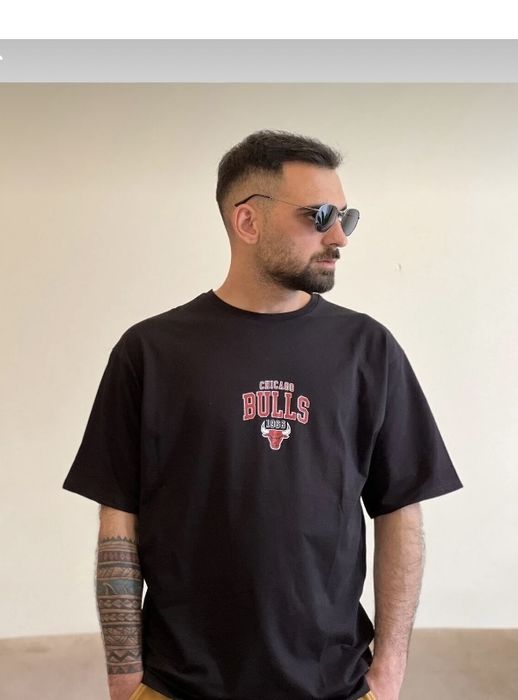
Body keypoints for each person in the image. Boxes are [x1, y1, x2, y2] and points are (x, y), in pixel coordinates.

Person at [62, 129, 463, 700]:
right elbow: (118, 519)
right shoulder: (151, 351)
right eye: (319, 216)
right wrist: (125, 676)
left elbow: (400, 508)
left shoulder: (367, 349)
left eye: (346, 218)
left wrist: (391, 667)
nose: (338, 237)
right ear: (247, 221)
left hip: (335, 686)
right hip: (179, 686)